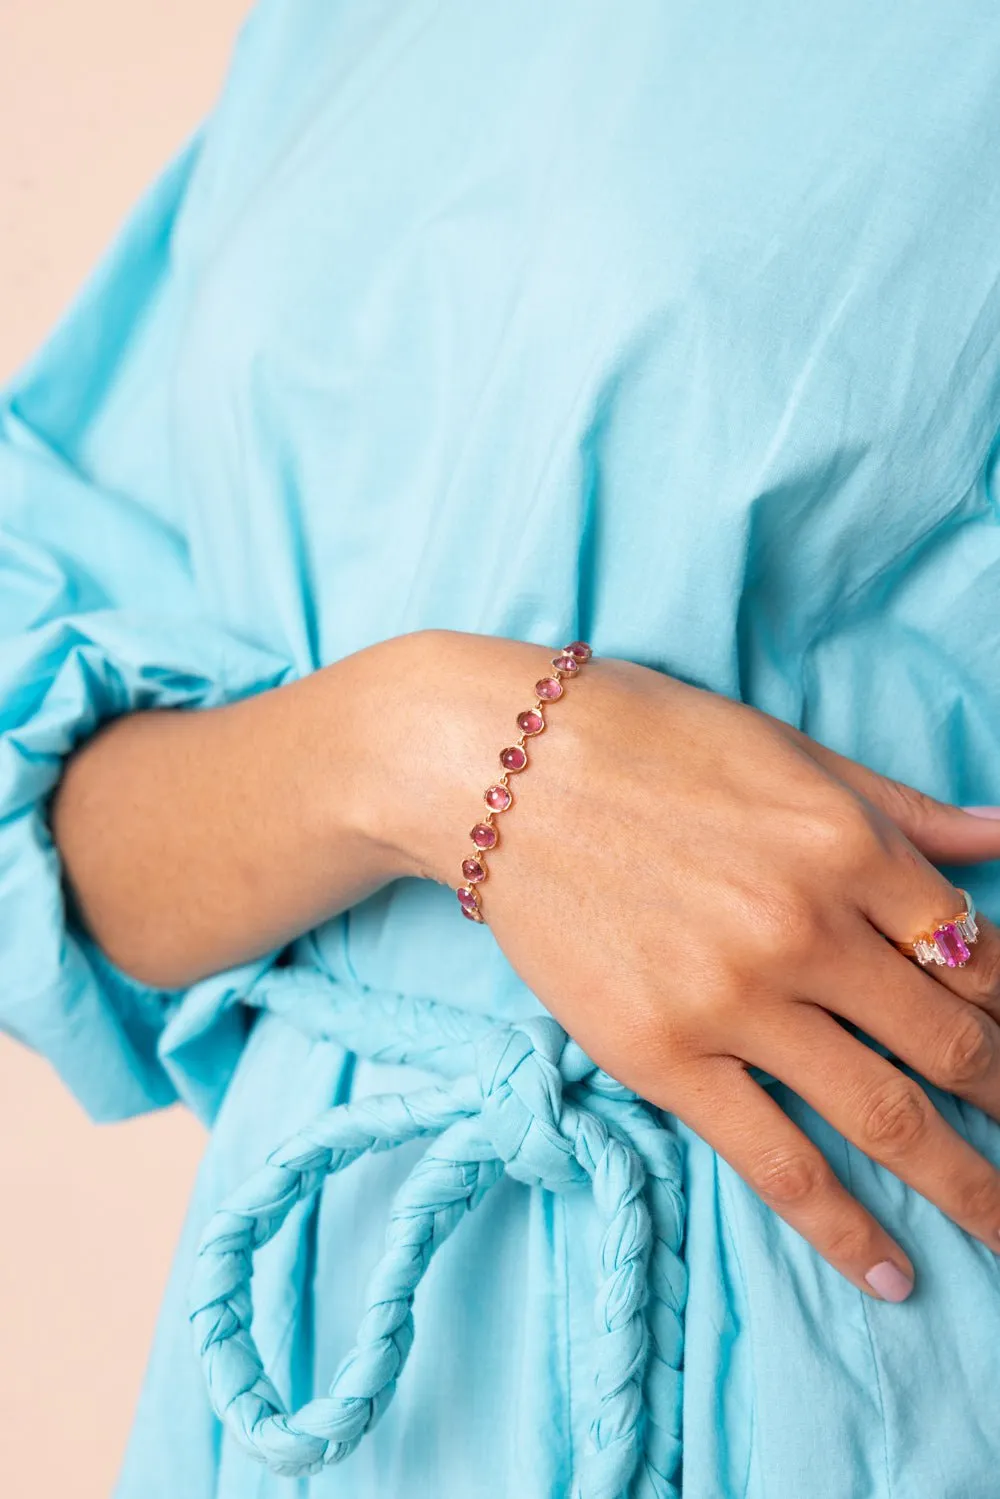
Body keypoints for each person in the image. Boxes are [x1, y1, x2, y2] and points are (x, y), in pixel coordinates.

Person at [3, 2, 1000, 1495]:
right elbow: (58, 842)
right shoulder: (333, 34)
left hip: (882, 1352)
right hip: (342, 1371)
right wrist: (417, 749)